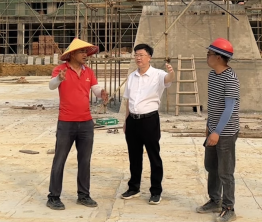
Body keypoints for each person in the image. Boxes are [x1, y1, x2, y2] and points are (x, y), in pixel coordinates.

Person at [46, 38, 108, 210]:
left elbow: (95, 88)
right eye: (82, 52)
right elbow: (51, 86)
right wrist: (59, 79)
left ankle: (84, 195)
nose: (85, 55)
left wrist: (101, 93)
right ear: (72, 54)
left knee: (85, 160)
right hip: (66, 123)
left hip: (86, 123)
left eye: (86, 52)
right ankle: (53, 197)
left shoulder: (88, 72)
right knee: (60, 159)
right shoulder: (61, 70)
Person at [120, 43, 175, 204]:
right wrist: (126, 121)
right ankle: (134, 187)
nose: (138, 58)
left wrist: (172, 73)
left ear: (149, 57)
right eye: (136, 55)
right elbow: (128, 100)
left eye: (141, 55)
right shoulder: (132, 76)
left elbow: (168, 79)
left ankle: (156, 191)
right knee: (134, 156)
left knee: (153, 156)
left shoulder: (158, 74)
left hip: (149, 120)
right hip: (133, 120)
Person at [195, 38, 240, 222]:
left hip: (226, 132)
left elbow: (229, 109)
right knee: (211, 167)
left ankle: (229, 208)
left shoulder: (230, 78)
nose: (207, 57)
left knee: (225, 171)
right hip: (213, 128)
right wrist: (209, 126)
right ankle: (215, 200)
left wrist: (217, 132)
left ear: (219, 57)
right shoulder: (213, 75)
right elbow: (214, 104)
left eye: (210, 54)